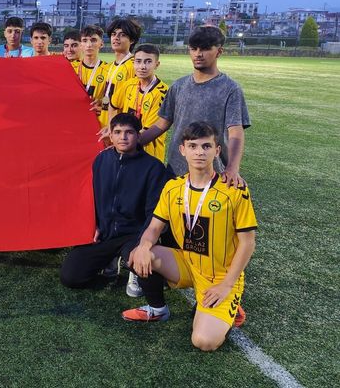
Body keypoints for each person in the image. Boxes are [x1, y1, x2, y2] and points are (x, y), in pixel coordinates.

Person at [122, 122, 256, 351]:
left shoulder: (234, 190)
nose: (199, 152)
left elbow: (248, 243)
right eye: (193, 146)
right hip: (188, 263)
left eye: (206, 146)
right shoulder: (173, 187)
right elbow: (154, 228)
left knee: (204, 342)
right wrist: (144, 246)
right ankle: (157, 309)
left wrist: (226, 285)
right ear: (183, 150)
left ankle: (231, 305)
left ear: (217, 150)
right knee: (137, 254)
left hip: (220, 276)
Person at [60, 113, 169, 296]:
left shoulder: (154, 168)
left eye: (129, 132)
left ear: (138, 135)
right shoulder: (101, 160)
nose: (123, 137)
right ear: (110, 135)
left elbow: (155, 212)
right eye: (117, 132)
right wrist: (92, 223)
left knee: (148, 275)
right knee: (71, 277)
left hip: (134, 236)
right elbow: (91, 197)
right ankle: (110, 260)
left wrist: (144, 243)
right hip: (106, 234)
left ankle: (131, 262)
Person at [138, 26, 249, 186]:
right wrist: (133, 142)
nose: (198, 54)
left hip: (212, 173)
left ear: (219, 52)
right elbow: (161, 125)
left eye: (205, 49)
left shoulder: (230, 89)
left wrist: (232, 168)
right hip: (175, 171)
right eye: (193, 48)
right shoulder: (179, 86)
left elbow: (236, 134)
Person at [108, 44, 168, 162]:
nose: (142, 66)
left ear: (157, 64)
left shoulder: (161, 92)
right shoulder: (129, 84)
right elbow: (113, 105)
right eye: (138, 61)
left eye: (148, 62)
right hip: (126, 147)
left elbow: (148, 131)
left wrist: (119, 141)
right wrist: (112, 130)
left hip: (149, 154)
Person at [95, 18, 141, 127]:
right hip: (104, 121)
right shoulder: (110, 66)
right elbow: (111, 94)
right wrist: (103, 103)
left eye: (122, 35)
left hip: (120, 125)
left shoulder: (134, 65)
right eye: (114, 34)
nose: (116, 37)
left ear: (132, 40)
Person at [76, 25, 109, 123]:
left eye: (93, 40)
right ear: (80, 44)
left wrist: (103, 103)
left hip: (98, 121)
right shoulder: (71, 68)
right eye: (85, 40)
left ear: (101, 44)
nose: (89, 45)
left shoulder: (109, 70)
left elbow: (112, 97)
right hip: (75, 118)